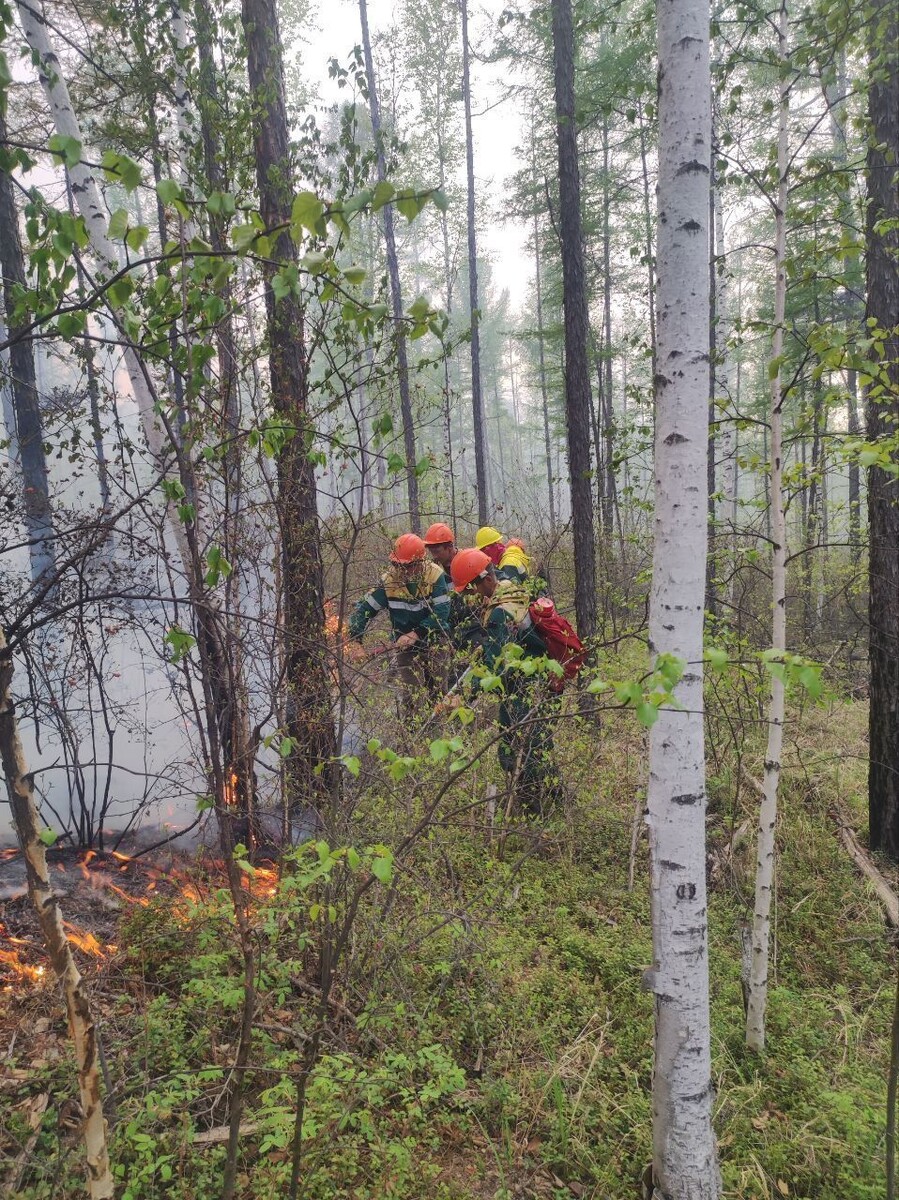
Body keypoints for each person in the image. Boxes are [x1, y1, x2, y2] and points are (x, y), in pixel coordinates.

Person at [449, 548, 561, 816]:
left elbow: (495, 665)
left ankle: (537, 811)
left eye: (472, 588)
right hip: (530, 682)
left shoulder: (501, 611)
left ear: (486, 578)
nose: (471, 596)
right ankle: (551, 802)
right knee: (533, 745)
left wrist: (464, 696)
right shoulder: (510, 587)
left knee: (524, 750)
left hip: (526, 686)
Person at [348, 534, 451, 703]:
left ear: (420, 563)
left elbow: (442, 612)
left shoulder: (435, 575)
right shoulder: (389, 581)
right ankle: (412, 729)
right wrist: (356, 641)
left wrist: (416, 633)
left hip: (435, 640)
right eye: (396, 565)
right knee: (411, 694)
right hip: (405, 648)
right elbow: (363, 610)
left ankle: (438, 727)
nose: (401, 570)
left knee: (438, 691)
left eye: (407, 566)